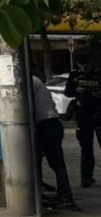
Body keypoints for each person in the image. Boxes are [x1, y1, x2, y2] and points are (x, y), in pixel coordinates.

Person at [32, 75, 75, 208]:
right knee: (36, 160)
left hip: (47, 124)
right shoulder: (34, 80)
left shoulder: (30, 81)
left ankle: (65, 196)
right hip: (46, 124)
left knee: (55, 162)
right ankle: (41, 189)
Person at [65, 52, 101, 188]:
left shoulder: (98, 73)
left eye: (87, 66)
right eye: (82, 66)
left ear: (91, 63)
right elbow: (67, 92)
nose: (84, 69)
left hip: (99, 113)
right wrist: (76, 90)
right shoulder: (74, 75)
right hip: (83, 115)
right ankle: (86, 177)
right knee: (86, 148)